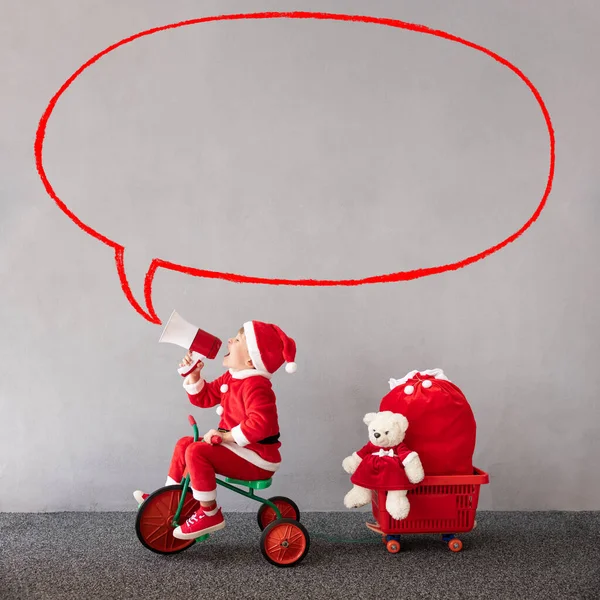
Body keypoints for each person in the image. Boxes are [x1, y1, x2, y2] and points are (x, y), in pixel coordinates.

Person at [133, 320, 297, 540]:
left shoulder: (256, 385)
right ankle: (167, 499)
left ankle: (210, 513)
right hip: (240, 450)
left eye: (238, 339)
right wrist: (194, 376)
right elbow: (206, 396)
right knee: (185, 444)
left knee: (196, 451)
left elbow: (261, 424)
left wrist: (225, 437)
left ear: (251, 359)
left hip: (256, 457)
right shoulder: (234, 377)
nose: (230, 340)